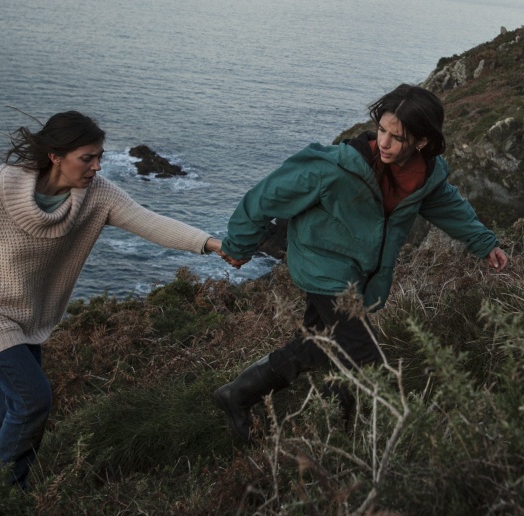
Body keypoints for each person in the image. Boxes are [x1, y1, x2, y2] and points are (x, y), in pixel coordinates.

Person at [0, 110, 223, 487]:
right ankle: (6, 492)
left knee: (15, 402)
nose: (97, 166)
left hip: (27, 314)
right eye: (87, 158)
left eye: (99, 157)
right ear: (55, 156)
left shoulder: (98, 195)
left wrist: (210, 244)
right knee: (33, 399)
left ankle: (1, 482)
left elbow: (149, 222)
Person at [214, 84, 508, 442]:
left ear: (421, 142)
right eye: (381, 130)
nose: (384, 142)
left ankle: (239, 396)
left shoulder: (424, 177)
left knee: (320, 345)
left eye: (397, 137)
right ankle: (362, 435)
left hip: (359, 274)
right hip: (322, 268)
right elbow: (268, 195)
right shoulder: (335, 167)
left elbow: (448, 207)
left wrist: (484, 243)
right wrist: (240, 243)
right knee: (365, 356)